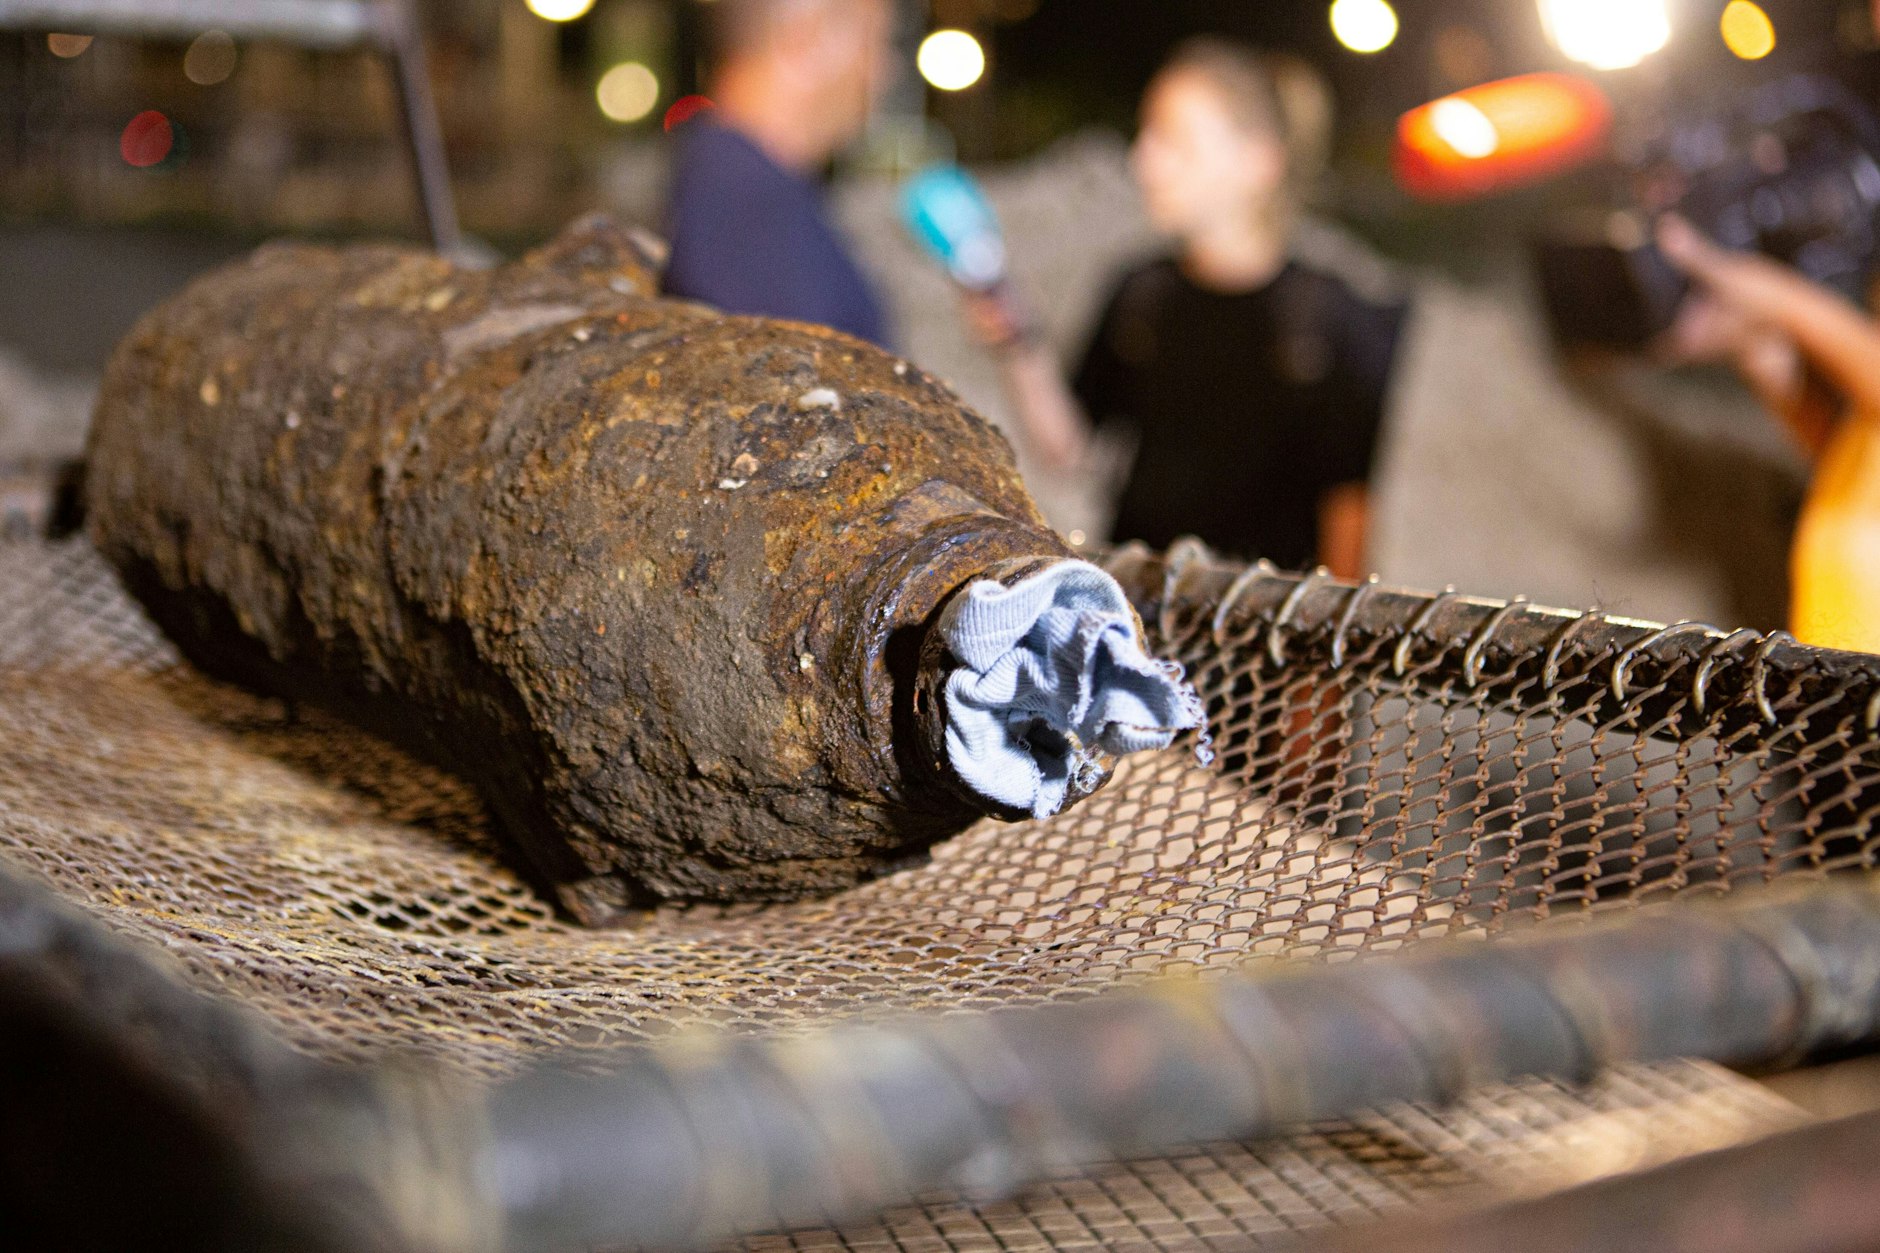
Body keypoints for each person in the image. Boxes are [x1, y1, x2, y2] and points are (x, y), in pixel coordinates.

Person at [966, 39, 1406, 578]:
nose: (1143, 159)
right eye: (1147, 135)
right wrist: (1017, 341)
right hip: (1143, 616)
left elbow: (1349, 521)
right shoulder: (1142, 293)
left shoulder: (1334, 319)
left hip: (1266, 637)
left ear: (1257, 160)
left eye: (1173, 139)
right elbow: (1070, 452)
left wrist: (1331, 655)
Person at [1658, 215, 1880, 653]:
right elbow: (1838, 449)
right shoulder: (1866, 432)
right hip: (1829, 707)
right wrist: (1754, 342)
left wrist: (1768, 292)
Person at [661, 0, 894, 347]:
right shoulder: (750, 203)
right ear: (805, 38)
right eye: (875, 42)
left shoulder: (734, 179)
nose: (884, 72)